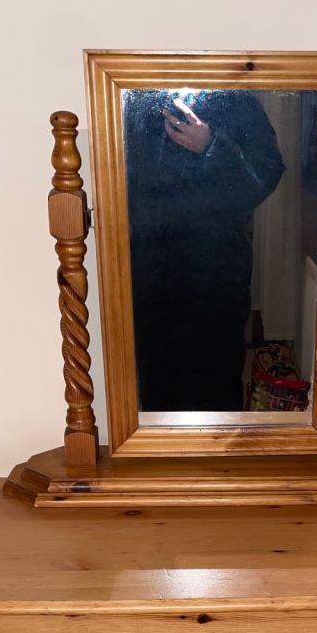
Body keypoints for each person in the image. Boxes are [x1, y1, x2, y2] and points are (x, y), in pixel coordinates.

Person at [124, 89, 285, 411]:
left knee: (215, 377)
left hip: (215, 270)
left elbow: (266, 174)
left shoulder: (237, 100)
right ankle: (158, 456)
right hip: (149, 268)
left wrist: (211, 145)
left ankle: (219, 458)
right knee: (153, 376)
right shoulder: (135, 98)